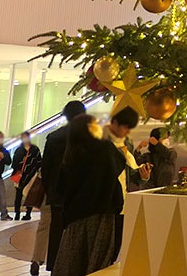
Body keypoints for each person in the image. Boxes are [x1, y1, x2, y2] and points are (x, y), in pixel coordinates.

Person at [53, 115, 124, 276]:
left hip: (75, 216)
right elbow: (119, 163)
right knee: (97, 261)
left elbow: (61, 186)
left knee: (73, 259)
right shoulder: (103, 147)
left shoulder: (72, 152)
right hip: (101, 212)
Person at [39, 99, 88, 275]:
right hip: (80, 194)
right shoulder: (88, 138)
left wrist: (50, 189)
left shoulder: (53, 137)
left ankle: (55, 266)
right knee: (79, 233)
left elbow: (46, 168)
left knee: (57, 231)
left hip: (58, 194)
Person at [105, 107, 150, 259]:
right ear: (115, 123)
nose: (127, 132)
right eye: (125, 127)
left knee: (115, 247)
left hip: (122, 203)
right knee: (103, 248)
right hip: (103, 204)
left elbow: (130, 173)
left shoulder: (127, 144)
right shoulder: (101, 142)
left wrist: (143, 176)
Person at [12, 131, 43, 221]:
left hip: (32, 175)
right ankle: (17, 213)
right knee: (18, 196)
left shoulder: (35, 149)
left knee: (30, 194)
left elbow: (38, 162)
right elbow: (15, 164)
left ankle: (28, 213)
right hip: (20, 175)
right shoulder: (19, 150)